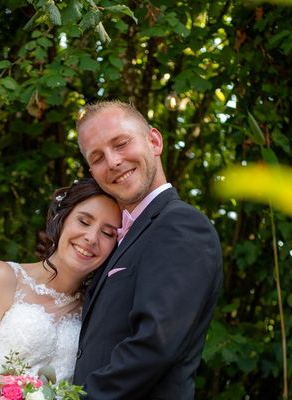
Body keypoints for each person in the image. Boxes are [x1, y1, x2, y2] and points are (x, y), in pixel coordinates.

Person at [73, 100, 223, 399]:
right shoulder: (120, 240)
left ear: (154, 141)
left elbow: (155, 344)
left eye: (121, 143)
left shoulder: (180, 224)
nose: (113, 161)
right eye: (98, 157)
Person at [0, 178, 121, 384]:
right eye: (84, 221)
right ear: (61, 219)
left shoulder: (96, 311)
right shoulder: (2, 278)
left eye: (108, 233)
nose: (91, 238)